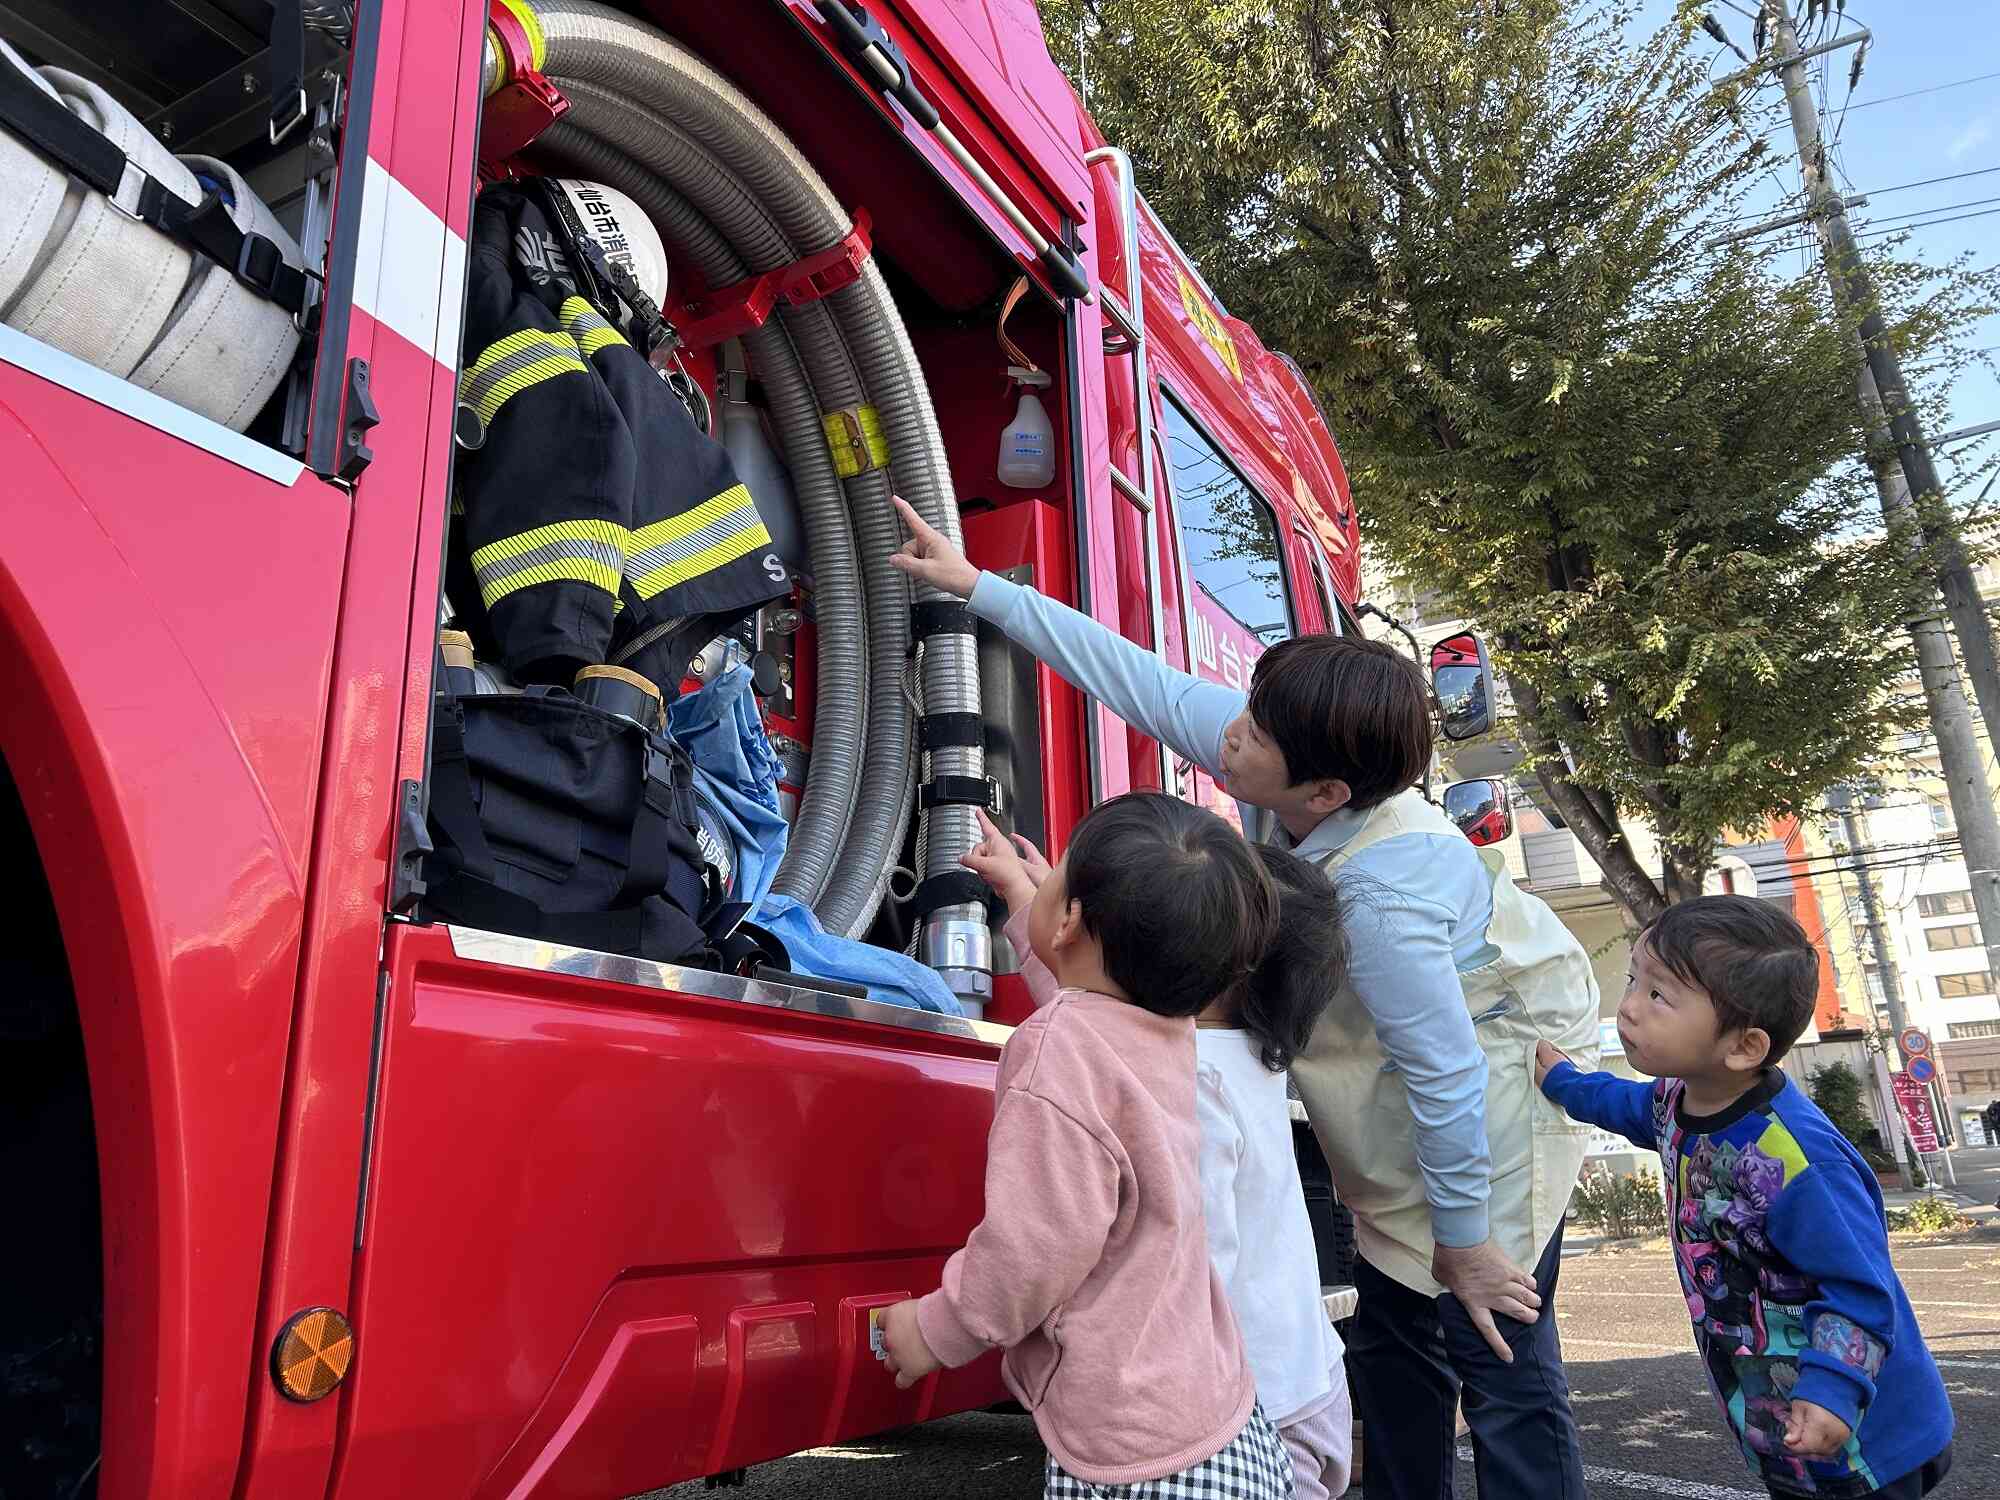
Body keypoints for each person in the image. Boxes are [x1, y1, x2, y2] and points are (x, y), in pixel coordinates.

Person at [889, 497, 1601, 1500]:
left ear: (1320, 795)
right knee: (1397, 1357)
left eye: (1255, 734)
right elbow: (1134, 678)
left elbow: (1443, 1076)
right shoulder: (1289, 760)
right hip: (1407, 1112)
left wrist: (1471, 1246)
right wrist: (978, 586)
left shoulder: (1385, 895)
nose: (1229, 737)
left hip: (1489, 1117)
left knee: (1494, 1359)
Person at [875, 793, 1295, 1498]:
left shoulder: (1058, 1053)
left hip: (1132, 1449)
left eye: (1058, 874)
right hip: (1213, 1415)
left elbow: (1032, 1250)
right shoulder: (1166, 1026)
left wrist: (936, 1329)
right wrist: (1021, 892)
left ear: (1069, 919)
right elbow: (1090, 1003)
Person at [1537, 896, 1955, 1500]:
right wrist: (1563, 1082)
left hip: (1863, 1438)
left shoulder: (1796, 1162)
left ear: (1744, 1047)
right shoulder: (1675, 1100)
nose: (1628, 1006)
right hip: (1777, 1418)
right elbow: (1621, 1105)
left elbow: (1861, 1288)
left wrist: (1833, 1391)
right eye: (1634, 979)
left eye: (1658, 996)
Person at [1196, 844, 1355, 1500]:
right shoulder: (1250, 1052)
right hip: (1306, 1378)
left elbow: (1195, 1265)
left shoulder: (1188, 1074)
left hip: (1248, 1412)